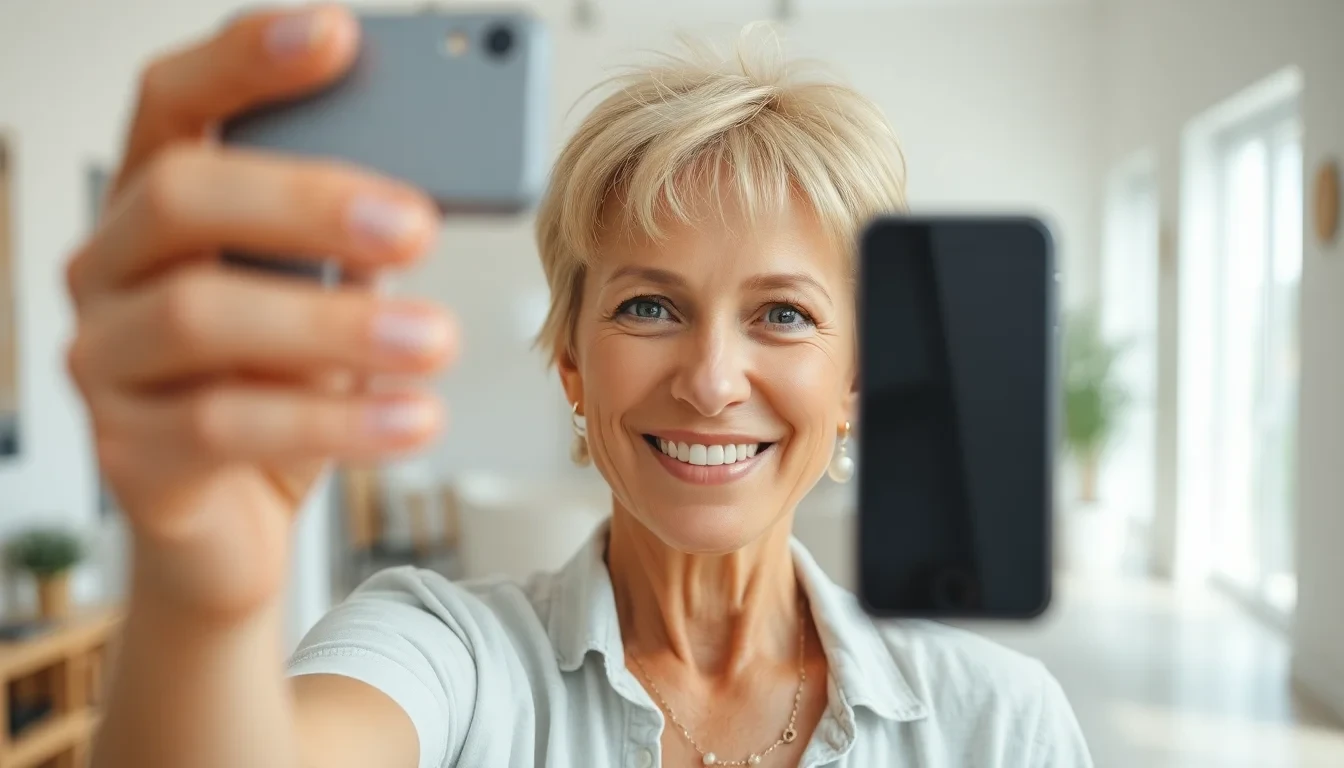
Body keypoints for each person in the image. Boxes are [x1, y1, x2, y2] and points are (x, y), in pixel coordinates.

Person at [72, 5, 1092, 768]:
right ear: (571, 358)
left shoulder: (1000, 723)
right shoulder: (449, 653)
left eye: (783, 314)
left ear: (857, 380)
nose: (710, 380)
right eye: (650, 307)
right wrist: (194, 594)